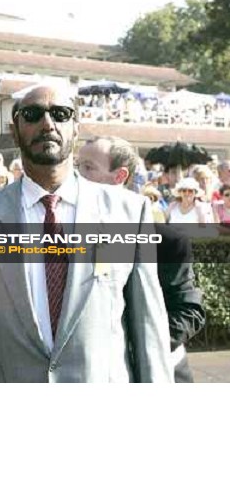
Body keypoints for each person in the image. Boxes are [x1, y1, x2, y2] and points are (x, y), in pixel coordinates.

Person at [0, 85, 173, 383]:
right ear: (15, 131)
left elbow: (147, 325)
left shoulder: (126, 213)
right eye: (33, 114)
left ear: (75, 128)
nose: (47, 123)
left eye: (60, 114)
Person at [77, 136, 206, 383]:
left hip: (164, 373)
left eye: (88, 167)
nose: (77, 176)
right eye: (77, 166)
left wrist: (137, 347)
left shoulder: (167, 241)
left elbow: (189, 311)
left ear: (119, 176)